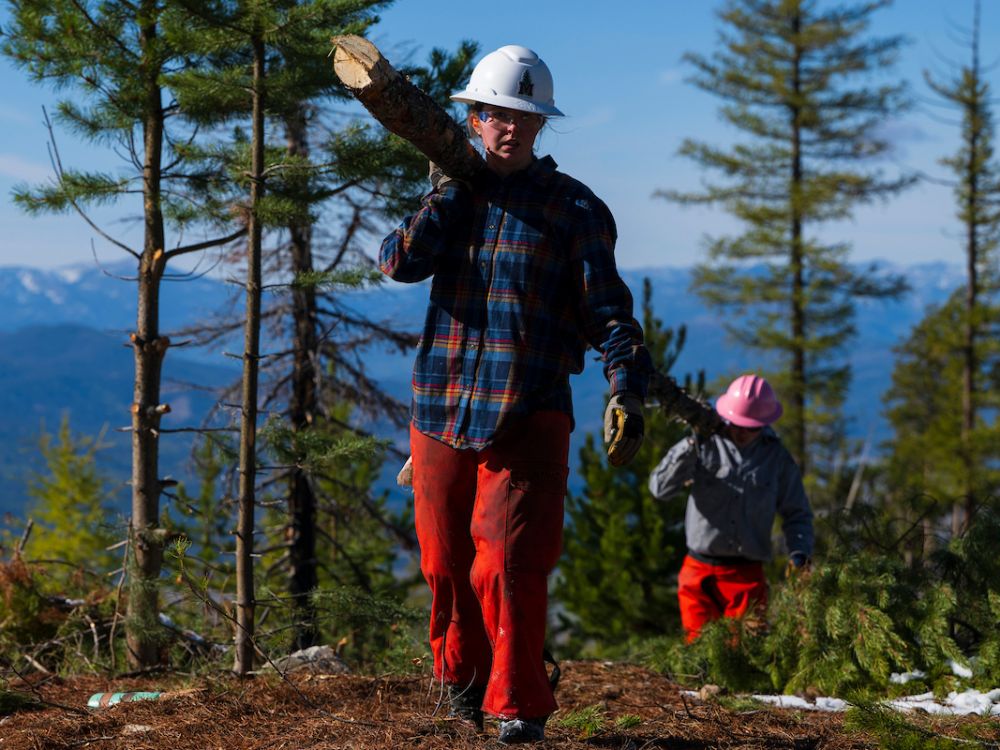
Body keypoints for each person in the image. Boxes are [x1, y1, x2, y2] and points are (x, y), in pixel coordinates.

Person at [379, 45, 650, 745]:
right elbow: (399, 263)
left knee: (508, 567)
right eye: (495, 114)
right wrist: (445, 194)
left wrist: (626, 385)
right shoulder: (452, 196)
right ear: (472, 119)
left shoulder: (575, 209)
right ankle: (459, 687)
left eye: (523, 116)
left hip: (528, 410)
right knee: (443, 566)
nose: (508, 127)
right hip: (440, 406)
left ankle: (519, 706)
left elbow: (610, 313)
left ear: (540, 126)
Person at [648, 374, 813, 642]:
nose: (742, 432)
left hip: (746, 576)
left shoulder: (777, 458)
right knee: (698, 654)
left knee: (744, 659)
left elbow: (797, 513)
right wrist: (690, 445)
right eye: (737, 424)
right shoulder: (702, 443)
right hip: (697, 571)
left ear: (765, 423)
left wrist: (800, 553)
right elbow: (660, 488)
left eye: (751, 427)